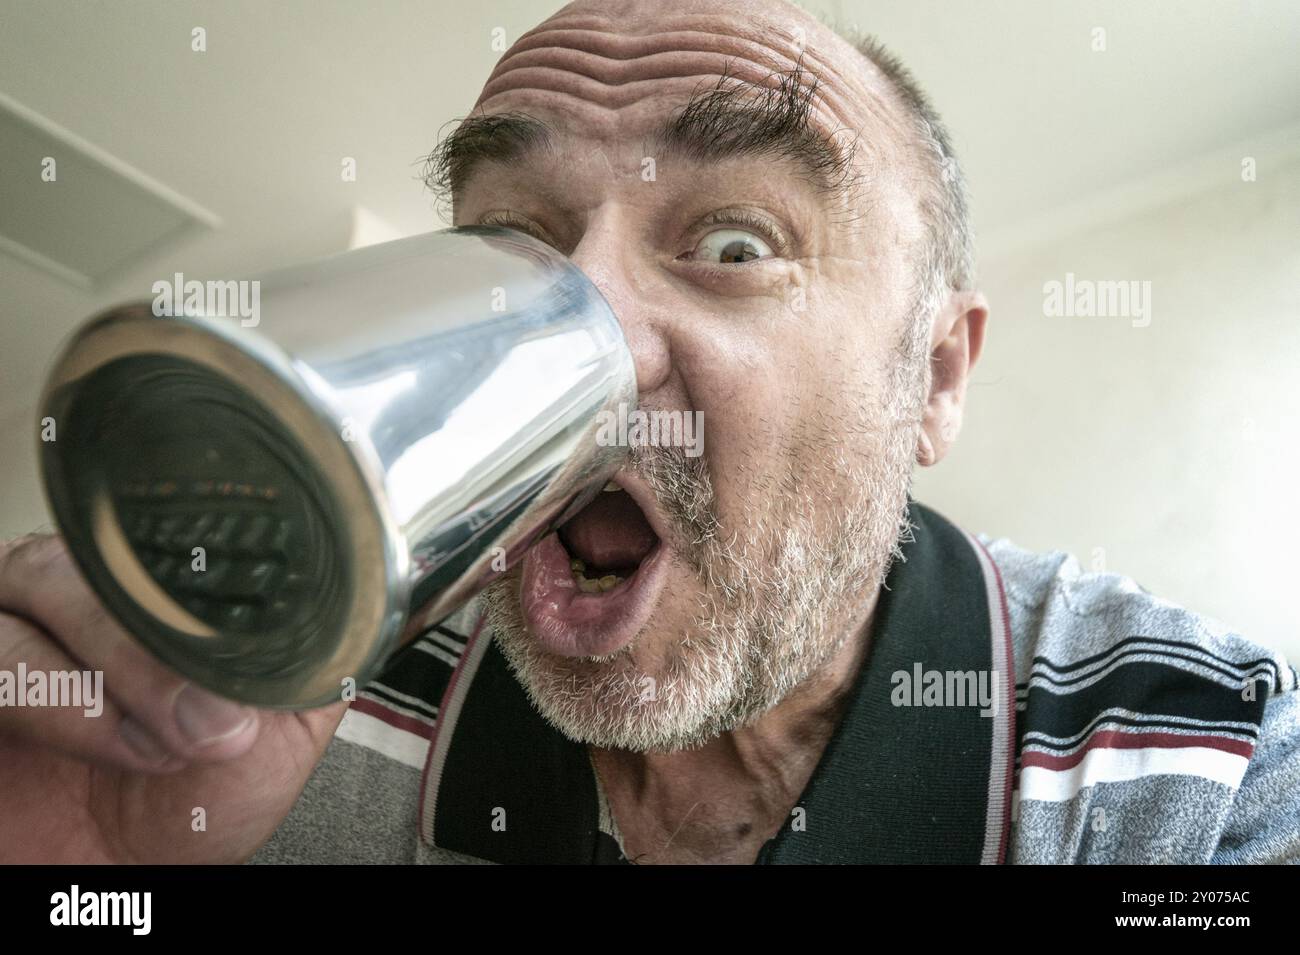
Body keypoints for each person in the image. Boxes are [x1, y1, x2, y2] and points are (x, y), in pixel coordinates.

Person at [2, 0, 1296, 865]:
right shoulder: (278, 703)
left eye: (736, 244)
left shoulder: (1206, 759)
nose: (595, 336)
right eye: (513, 245)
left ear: (938, 377)